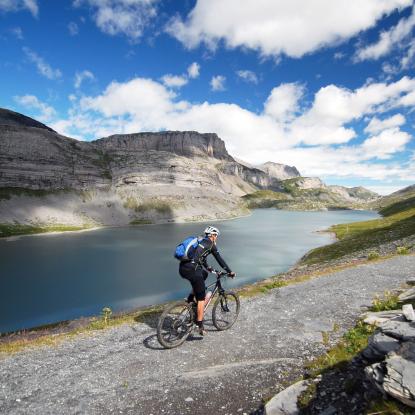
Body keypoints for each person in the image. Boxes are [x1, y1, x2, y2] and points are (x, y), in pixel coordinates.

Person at [179, 225, 235, 336]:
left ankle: (190, 300)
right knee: (201, 298)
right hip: (193, 269)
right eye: (216, 236)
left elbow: (200, 258)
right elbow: (220, 260)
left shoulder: (200, 240)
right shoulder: (211, 245)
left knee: (203, 274)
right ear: (213, 235)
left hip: (183, 268)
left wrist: (209, 268)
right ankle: (199, 325)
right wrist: (229, 271)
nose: (216, 238)